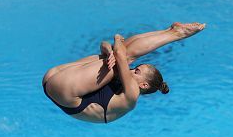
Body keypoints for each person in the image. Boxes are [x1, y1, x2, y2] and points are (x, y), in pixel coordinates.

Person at [42, 22, 205, 123]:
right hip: (56, 80)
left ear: (144, 85)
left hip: (64, 92)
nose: (132, 71)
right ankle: (171, 30)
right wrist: (107, 49)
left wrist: (118, 38)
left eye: (137, 71)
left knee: (124, 55)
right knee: (120, 54)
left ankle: (176, 33)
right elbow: (105, 45)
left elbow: (121, 54)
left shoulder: (132, 95)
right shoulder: (127, 81)